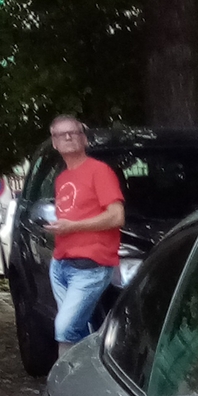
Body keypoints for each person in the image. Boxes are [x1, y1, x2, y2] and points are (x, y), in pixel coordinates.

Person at [44, 115, 124, 346]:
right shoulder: (62, 179)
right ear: (54, 143)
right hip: (60, 265)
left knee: (65, 330)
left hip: (91, 266)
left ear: (84, 139)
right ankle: (73, 379)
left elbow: (117, 216)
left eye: (74, 132)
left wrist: (73, 226)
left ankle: (66, 381)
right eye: (61, 134)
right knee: (75, 332)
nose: (68, 137)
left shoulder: (99, 171)